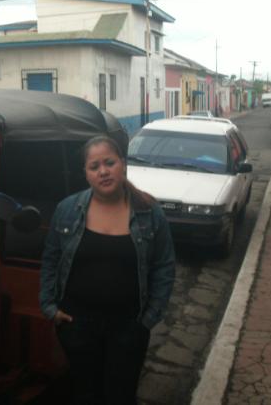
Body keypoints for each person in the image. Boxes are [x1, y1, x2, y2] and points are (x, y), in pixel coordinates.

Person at [39, 135, 176, 405]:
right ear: (86, 173)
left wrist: (148, 319)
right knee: (85, 394)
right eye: (94, 166)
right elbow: (51, 260)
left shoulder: (149, 213)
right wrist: (50, 307)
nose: (103, 171)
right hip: (76, 325)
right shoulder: (67, 210)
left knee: (120, 396)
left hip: (128, 327)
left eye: (109, 163)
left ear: (122, 164)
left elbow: (165, 266)